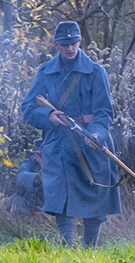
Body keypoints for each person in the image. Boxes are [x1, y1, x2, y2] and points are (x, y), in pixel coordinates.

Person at [21, 21, 121, 248]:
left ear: (80, 42)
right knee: (59, 194)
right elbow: (28, 108)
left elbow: (104, 112)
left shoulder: (96, 72)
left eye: (73, 43)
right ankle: (67, 247)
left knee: (94, 191)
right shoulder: (45, 71)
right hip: (58, 141)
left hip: (91, 141)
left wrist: (95, 134)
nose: (70, 48)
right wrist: (48, 117)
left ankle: (90, 248)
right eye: (64, 44)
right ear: (56, 45)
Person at [3, 139, 44, 216]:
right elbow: (20, 177)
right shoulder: (28, 163)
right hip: (25, 202)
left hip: (44, 207)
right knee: (15, 203)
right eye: (43, 157)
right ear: (36, 156)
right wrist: (36, 178)